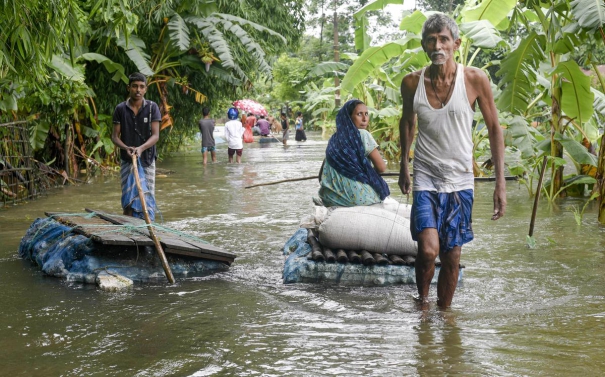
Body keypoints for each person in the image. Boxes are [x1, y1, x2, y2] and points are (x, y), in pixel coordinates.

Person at [398, 14, 506, 308]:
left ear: (456, 44)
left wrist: (500, 185)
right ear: (423, 45)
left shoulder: (474, 79)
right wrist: (404, 166)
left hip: (460, 180)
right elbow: (407, 123)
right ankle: (422, 303)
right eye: (431, 40)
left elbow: (495, 128)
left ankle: (444, 313)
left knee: (453, 256)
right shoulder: (411, 83)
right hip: (425, 177)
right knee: (429, 250)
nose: (438, 45)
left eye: (444, 39)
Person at [317, 99, 389, 207]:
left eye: (366, 114)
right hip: (358, 199)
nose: (365, 119)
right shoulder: (363, 134)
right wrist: (366, 174)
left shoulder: (334, 139)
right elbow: (382, 168)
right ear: (348, 117)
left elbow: (320, 176)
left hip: (328, 198)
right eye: (359, 114)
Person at [112, 72, 161, 217]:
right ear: (129, 88)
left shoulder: (152, 108)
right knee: (128, 198)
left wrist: (141, 148)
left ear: (145, 89)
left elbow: (156, 135)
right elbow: (115, 136)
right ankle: (128, 230)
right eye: (134, 86)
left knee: (147, 196)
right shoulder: (120, 109)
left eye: (141, 87)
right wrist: (126, 148)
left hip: (147, 159)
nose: (138, 90)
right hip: (127, 160)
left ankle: (148, 227)